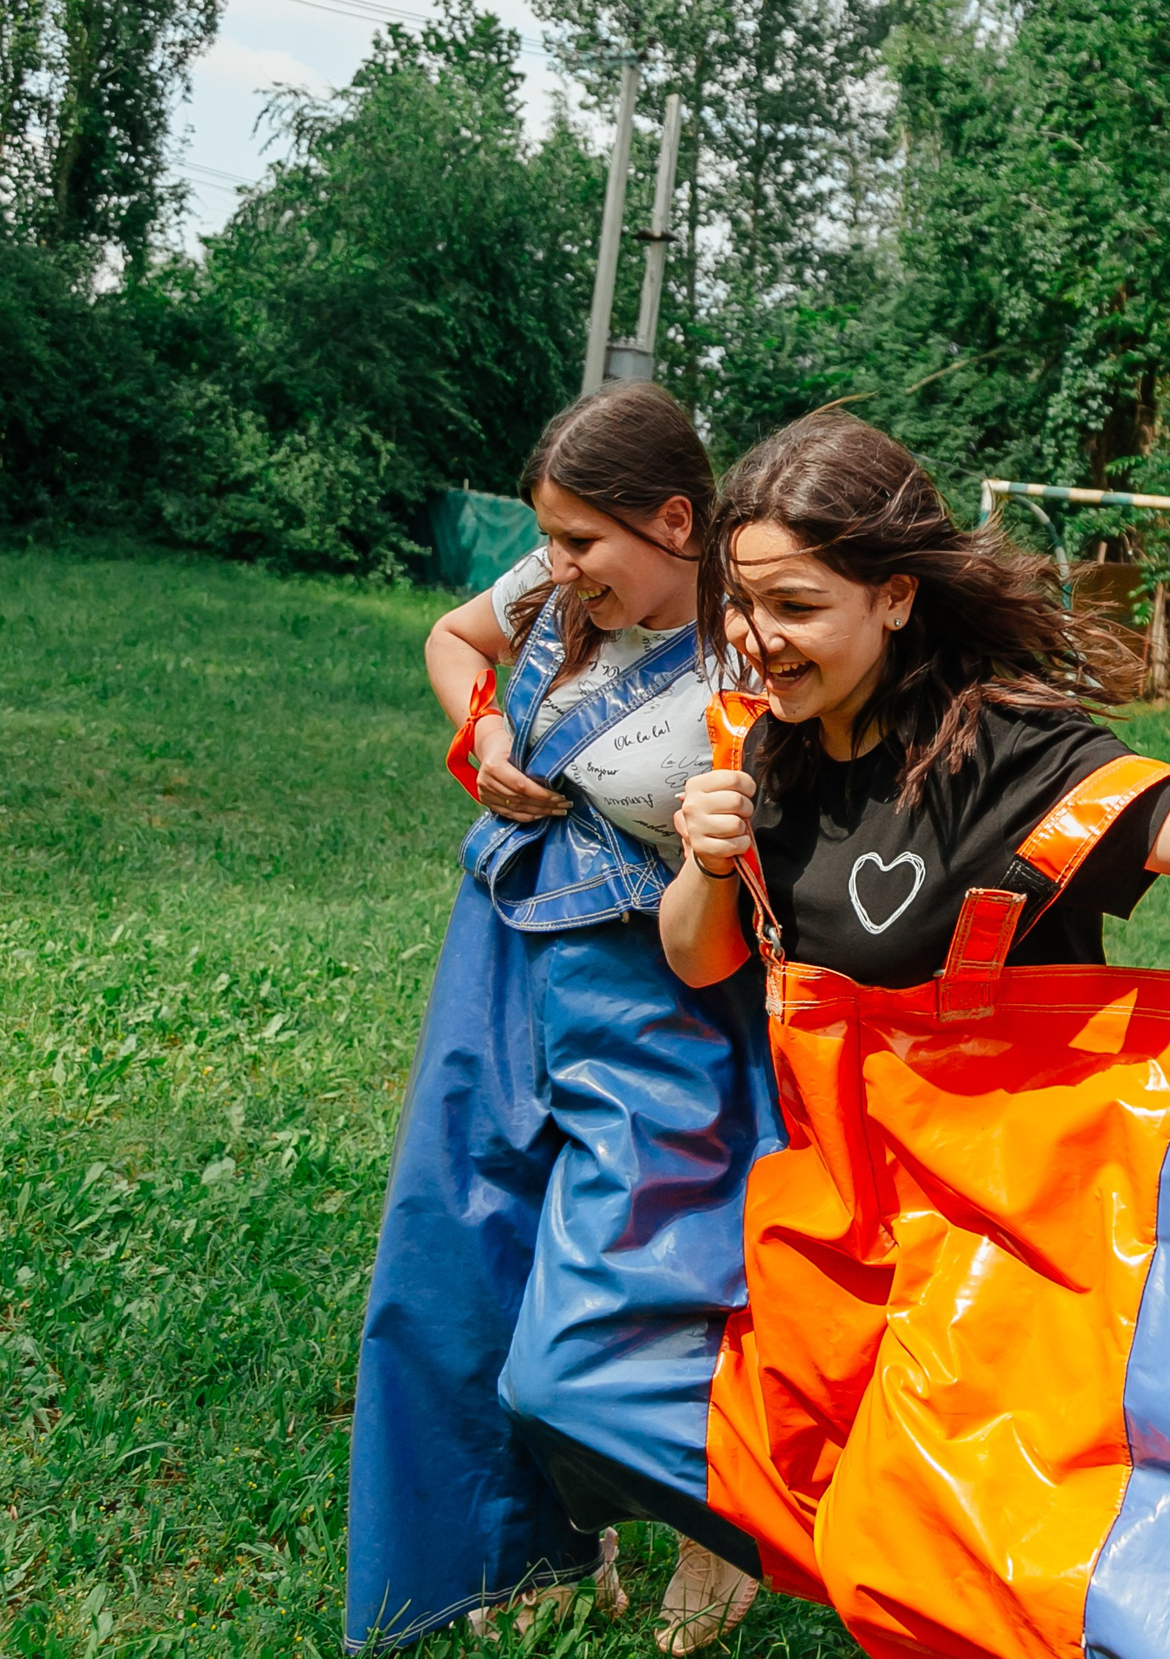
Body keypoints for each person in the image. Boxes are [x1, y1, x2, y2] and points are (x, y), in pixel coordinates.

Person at [345, 382, 774, 1656]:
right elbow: (449, 638)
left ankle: (723, 1524)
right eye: (551, 538)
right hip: (505, 941)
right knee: (454, 1243)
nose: (558, 564)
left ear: (678, 522)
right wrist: (476, 736)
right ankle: (502, 1556)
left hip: (672, 984)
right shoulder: (552, 580)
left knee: (652, 1273)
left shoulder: (758, 642)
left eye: (584, 540)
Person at [656, 408, 1170, 995]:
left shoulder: (998, 747)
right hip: (837, 1210)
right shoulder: (761, 751)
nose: (755, 636)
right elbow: (700, 962)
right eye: (740, 601)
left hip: (1004, 1218)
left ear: (896, 598)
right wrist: (710, 859)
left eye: (795, 607)